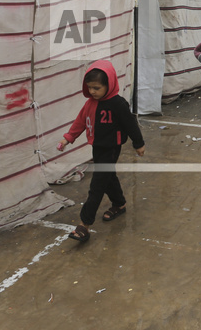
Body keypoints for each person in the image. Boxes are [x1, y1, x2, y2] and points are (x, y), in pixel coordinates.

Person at [56, 60, 146, 244]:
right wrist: (67, 138)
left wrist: (139, 143)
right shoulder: (90, 104)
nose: (93, 92)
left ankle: (84, 225)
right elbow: (80, 122)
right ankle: (119, 204)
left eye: (97, 88)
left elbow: (131, 125)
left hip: (112, 148)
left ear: (109, 84)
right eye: (90, 88)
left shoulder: (118, 104)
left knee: (96, 186)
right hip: (97, 147)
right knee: (108, 177)